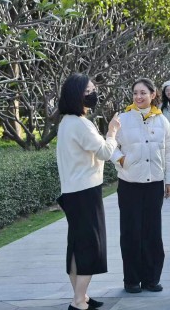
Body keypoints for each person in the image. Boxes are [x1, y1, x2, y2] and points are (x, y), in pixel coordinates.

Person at [56, 73, 121, 310]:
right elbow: (104, 151)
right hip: (85, 192)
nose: (93, 94)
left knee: (77, 246)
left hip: (72, 192)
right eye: (88, 91)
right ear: (76, 95)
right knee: (91, 246)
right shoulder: (80, 124)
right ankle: (78, 301)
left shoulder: (66, 122)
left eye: (93, 89)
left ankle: (81, 296)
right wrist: (112, 132)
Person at [111, 78, 170, 293]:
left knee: (152, 233)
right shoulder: (122, 118)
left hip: (154, 184)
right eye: (135, 93)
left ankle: (151, 279)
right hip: (129, 184)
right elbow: (111, 145)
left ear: (153, 94)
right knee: (131, 233)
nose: (138, 97)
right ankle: (131, 280)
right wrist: (122, 160)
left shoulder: (162, 120)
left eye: (143, 93)